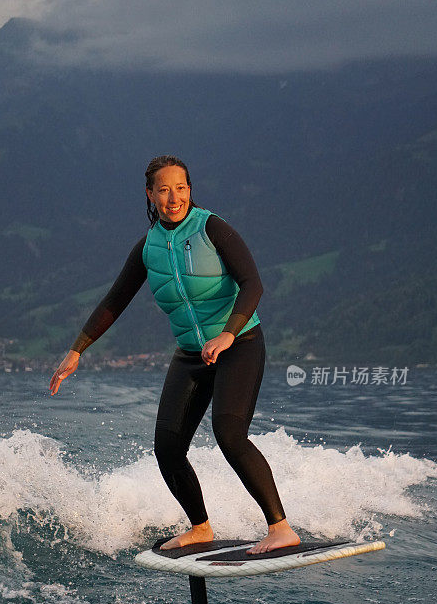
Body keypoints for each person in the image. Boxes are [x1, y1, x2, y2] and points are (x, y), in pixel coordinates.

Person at [49, 155, 300, 554]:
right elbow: (115, 300)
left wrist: (229, 334)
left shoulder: (211, 228)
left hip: (240, 346)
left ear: (190, 189)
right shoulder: (148, 248)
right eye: (163, 190)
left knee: (229, 434)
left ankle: (281, 527)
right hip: (190, 355)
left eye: (180, 188)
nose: (173, 197)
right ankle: (200, 528)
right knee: (167, 446)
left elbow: (253, 284)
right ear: (149, 194)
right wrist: (77, 350)